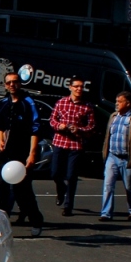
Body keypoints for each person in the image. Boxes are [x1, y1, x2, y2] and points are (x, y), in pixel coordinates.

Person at [0, 72, 44, 236]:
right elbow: (0, 126)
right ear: (5, 85)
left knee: (23, 192)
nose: (12, 85)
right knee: (0, 192)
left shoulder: (28, 103)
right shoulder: (4, 103)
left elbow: (35, 130)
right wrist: (0, 141)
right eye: (9, 83)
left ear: (19, 84)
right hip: (4, 155)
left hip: (21, 155)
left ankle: (36, 221)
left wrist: (32, 154)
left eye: (15, 82)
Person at [47, 76, 95, 217]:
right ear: (70, 87)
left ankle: (68, 206)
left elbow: (91, 126)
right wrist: (59, 125)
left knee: (72, 176)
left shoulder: (87, 106)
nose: (79, 89)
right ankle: (61, 189)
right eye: (76, 86)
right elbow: (52, 120)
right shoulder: (61, 102)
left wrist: (79, 129)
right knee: (55, 172)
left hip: (76, 144)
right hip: (60, 142)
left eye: (81, 86)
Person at [100, 90, 131, 222]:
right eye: (116, 101)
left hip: (127, 158)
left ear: (128, 103)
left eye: (119, 101)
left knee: (130, 187)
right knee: (108, 185)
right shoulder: (113, 116)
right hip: (112, 156)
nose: (116, 104)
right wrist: (105, 153)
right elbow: (107, 137)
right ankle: (106, 213)